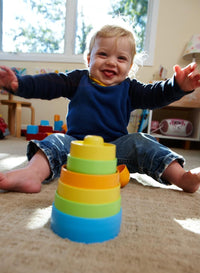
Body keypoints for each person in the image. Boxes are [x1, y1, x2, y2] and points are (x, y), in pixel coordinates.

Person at [0, 24, 200, 194]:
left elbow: (155, 94)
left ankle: (182, 178)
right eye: (103, 54)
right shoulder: (78, 80)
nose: (111, 62)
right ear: (89, 59)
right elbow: (49, 83)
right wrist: (19, 84)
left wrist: (177, 86)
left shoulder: (130, 88)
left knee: (142, 141)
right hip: (77, 148)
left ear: (130, 66)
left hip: (115, 151)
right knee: (55, 139)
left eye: (121, 58)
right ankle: (31, 174)